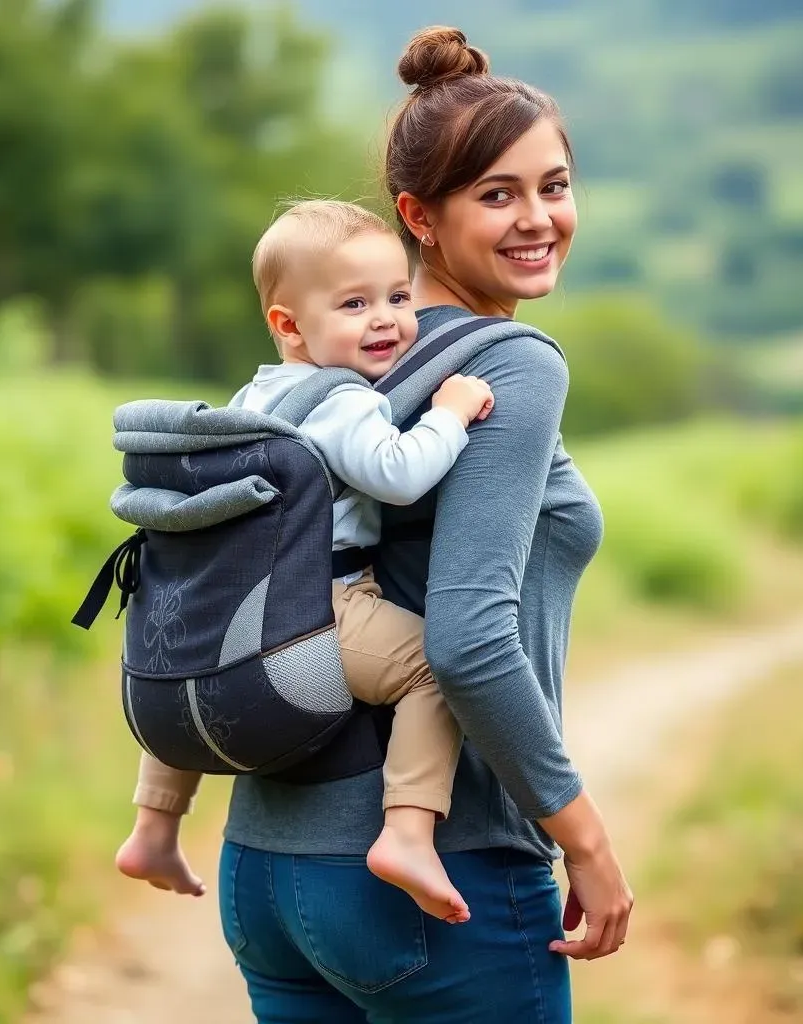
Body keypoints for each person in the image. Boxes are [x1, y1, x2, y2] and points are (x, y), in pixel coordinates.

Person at [215, 26, 634, 1023]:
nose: (539, 218)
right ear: (419, 216)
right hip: (437, 875)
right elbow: (468, 637)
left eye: (555, 184)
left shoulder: (331, 369)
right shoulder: (509, 365)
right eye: (497, 194)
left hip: (268, 866)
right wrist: (583, 838)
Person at [115, 199, 497, 925]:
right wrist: (449, 410)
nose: (385, 318)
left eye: (396, 296)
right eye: (354, 304)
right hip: (318, 605)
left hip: (224, 601)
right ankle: (409, 832)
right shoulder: (341, 398)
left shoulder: (252, 396)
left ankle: (153, 828)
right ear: (290, 325)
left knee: (196, 664)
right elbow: (397, 472)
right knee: (434, 665)